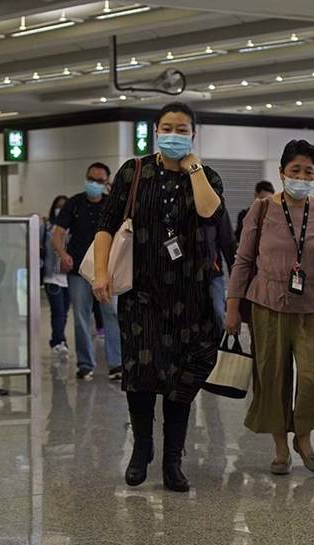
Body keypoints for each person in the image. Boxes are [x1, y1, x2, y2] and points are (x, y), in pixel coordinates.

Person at [93, 102, 225, 492]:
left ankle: (173, 459)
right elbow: (107, 225)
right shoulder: (134, 172)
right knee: (142, 374)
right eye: (166, 128)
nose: (173, 135)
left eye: (181, 129)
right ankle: (142, 449)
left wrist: (194, 167)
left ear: (193, 135)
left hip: (191, 294)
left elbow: (209, 212)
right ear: (155, 131)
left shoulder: (206, 176)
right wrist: (101, 272)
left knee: (182, 377)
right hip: (143, 292)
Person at [226, 140, 314, 475]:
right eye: (295, 170)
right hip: (267, 306)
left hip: (313, 308)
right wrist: (231, 306)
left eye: (308, 171)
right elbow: (243, 261)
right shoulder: (263, 209)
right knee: (271, 377)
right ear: (282, 172)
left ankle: (303, 437)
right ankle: (281, 448)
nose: (301, 176)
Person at [52, 162, 122, 381]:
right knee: (81, 317)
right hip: (79, 270)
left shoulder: (112, 204)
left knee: (111, 314)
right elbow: (57, 233)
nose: (94, 184)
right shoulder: (74, 204)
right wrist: (63, 254)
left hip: (106, 269)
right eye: (91, 179)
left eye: (100, 181)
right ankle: (85, 364)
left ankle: (116, 363)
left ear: (107, 183)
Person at [44, 195, 71, 359]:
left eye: (64, 206)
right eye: (58, 206)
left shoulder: (73, 229)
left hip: (68, 277)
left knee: (65, 311)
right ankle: (58, 342)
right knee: (58, 311)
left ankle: (58, 339)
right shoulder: (47, 229)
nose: (60, 209)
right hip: (51, 277)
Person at [205, 205, 236, 325]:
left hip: (212, 274)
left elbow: (228, 243)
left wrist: (236, 286)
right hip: (183, 275)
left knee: (218, 314)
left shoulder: (215, 204)